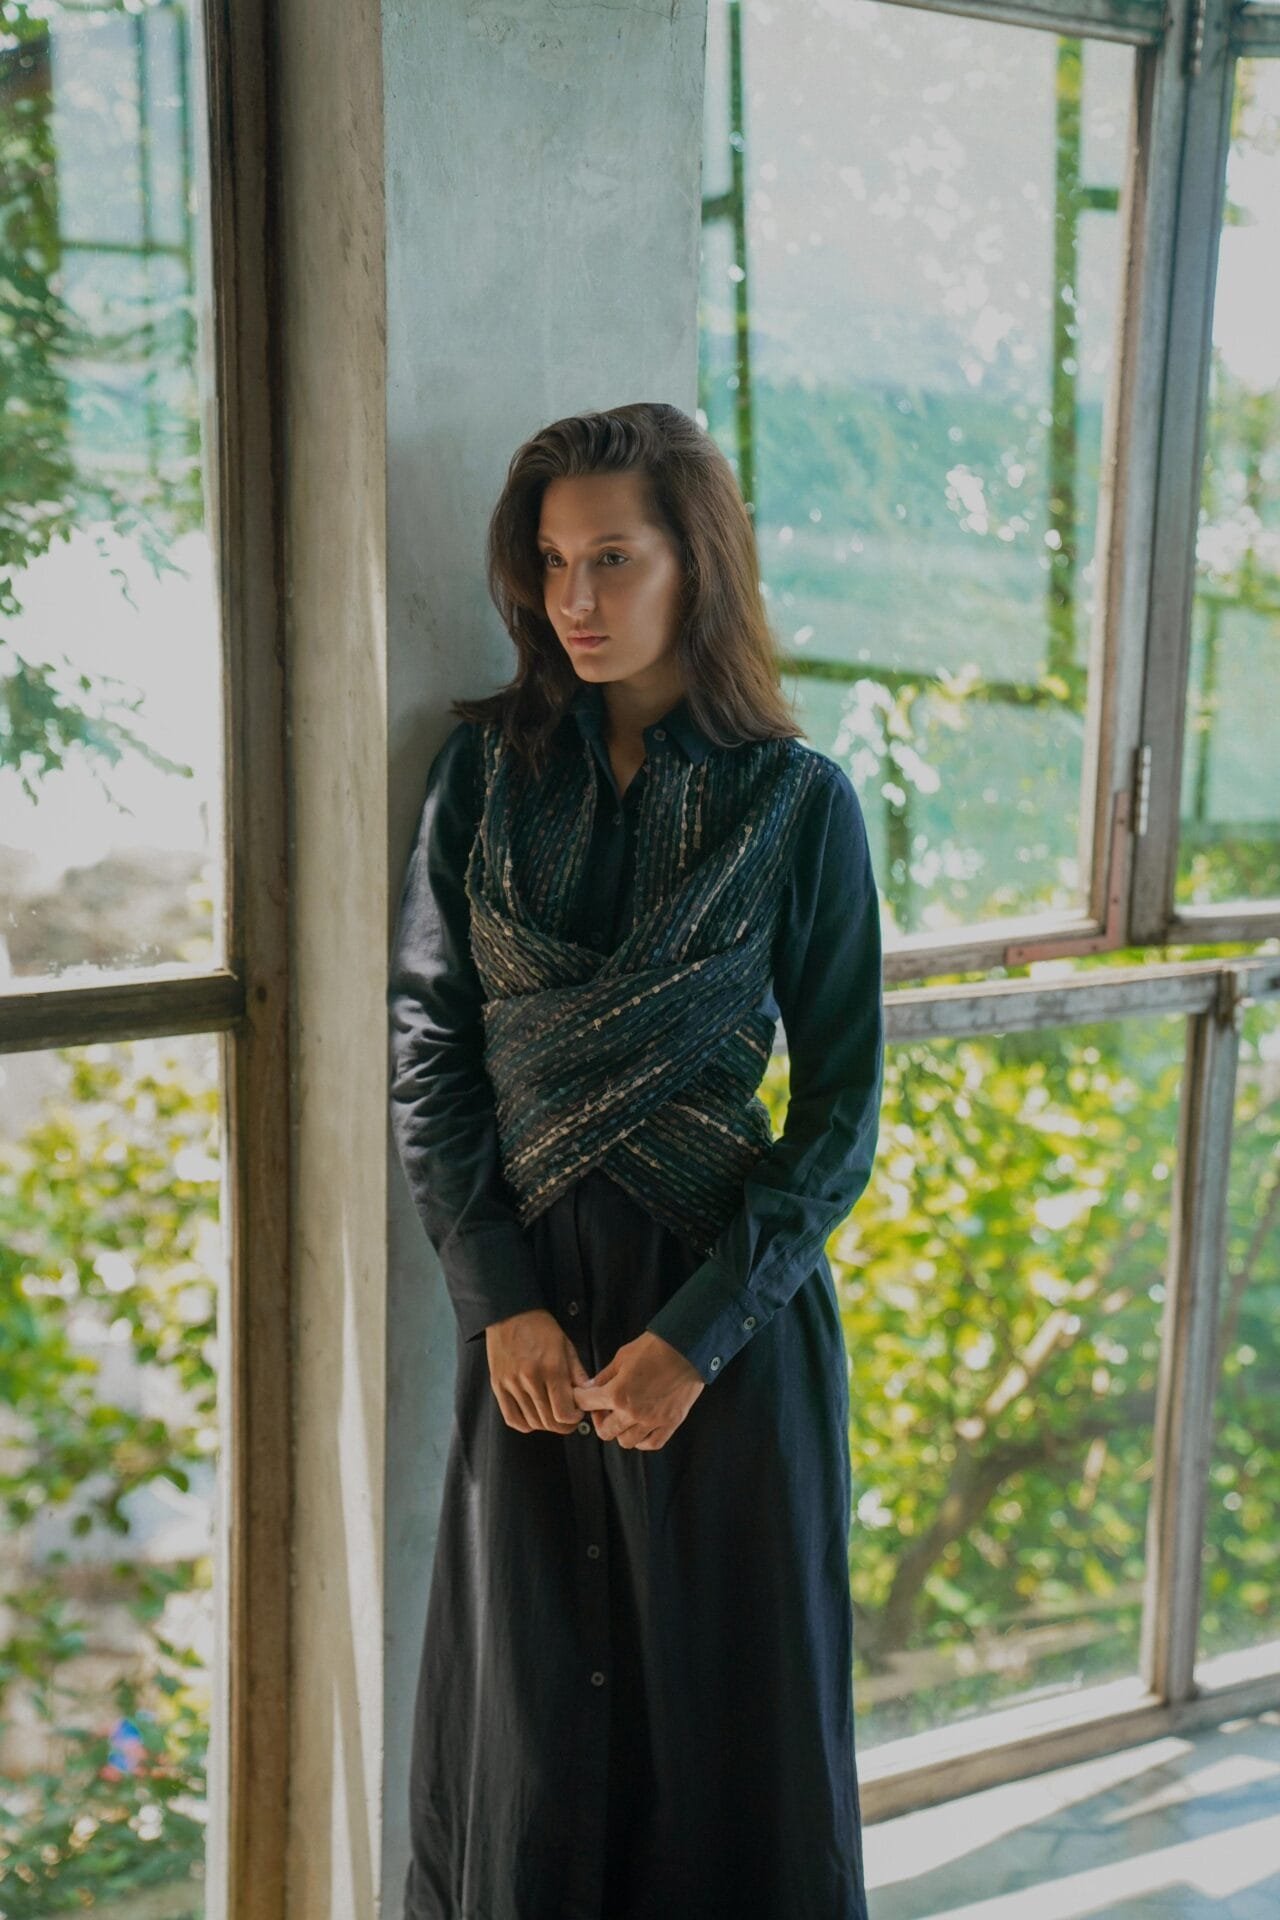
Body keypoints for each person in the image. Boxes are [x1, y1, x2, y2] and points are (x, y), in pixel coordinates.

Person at [388, 401, 884, 1920]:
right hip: (530, 1327)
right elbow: (431, 1052)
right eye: (551, 563)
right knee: (531, 1751)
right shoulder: (483, 778)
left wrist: (698, 1337)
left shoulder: (798, 804)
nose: (576, 600)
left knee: (733, 1761)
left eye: (613, 557)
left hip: (723, 1331)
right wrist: (501, 1305)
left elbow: (841, 1113)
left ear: (696, 563)